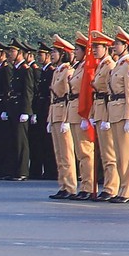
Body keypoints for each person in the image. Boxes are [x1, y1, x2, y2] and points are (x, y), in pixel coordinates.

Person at [93, 33, 129, 203]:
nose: (114, 47)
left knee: (127, 156)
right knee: (119, 155)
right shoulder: (119, 65)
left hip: (124, 112)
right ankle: (122, 189)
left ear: (126, 46)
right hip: (114, 112)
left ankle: (128, 192)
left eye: (118, 44)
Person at [45, 37, 89, 200]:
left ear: (63, 54)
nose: (52, 54)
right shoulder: (57, 71)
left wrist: (65, 120)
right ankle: (63, 184)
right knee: (59, 153)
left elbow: (67, 97)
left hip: (64, 113)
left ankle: (70, 186)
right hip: (55, 113)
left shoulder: (68, 71)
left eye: (55, 52)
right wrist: (50, 117)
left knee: (67, 153)